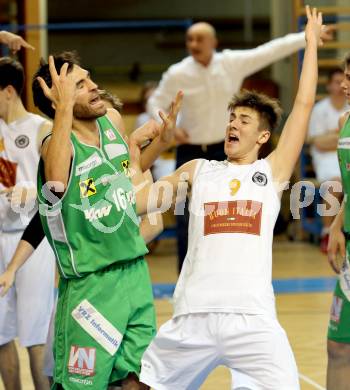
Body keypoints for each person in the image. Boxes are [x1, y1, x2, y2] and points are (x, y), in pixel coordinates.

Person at [129, 6, 322, 389]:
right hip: (193, 317)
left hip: (251, 320)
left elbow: (302, 105)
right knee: (139, 385)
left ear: (262, 137)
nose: (233, 123)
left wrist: (311, 44)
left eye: (244, 121)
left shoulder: (272, 173)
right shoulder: (198, 170)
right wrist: (141, 151)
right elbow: (138, 202)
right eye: (231, 118)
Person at [31, 51, 181, 389]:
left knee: (138, 380)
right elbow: (55, 181)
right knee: (83, 385)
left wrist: (160, 143)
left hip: (135, 273)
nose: (95, 87)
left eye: (90, 78)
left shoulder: (112, 120)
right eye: (81, 85)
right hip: (90, 285)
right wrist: (64, 108)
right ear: (60, 99)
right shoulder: (56, 145)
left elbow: (130, 178)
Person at [147, 18, 334, 272]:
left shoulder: (230, 62)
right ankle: (186, 274)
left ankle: (229, 271)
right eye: (189, 39)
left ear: (214, 42)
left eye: (199, 39)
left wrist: (306, 38)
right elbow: (154, 102)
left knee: (226, 216)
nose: (193, 44)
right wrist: (171, 125)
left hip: (224, 148)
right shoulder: (177, 72)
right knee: (185, 216)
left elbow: (268, 51)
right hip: (190, 152)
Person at [0, 57, 55, 390]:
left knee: (35, 338)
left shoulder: (42, 129)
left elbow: (59, 187)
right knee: (1, 336)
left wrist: (32, 193)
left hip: (33, 240)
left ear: (8, 91)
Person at [326, 52, 350, 390]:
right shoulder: (344, 121)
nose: (344, 84)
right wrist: (336, 223)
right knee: (338, 347)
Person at [308, 68, 348, 253]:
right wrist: (339, 136)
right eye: (336, 81)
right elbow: (318, 143)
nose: (341, 85)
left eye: (344, 80)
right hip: (325, 159)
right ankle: (327, 232)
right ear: (329, 85)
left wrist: (331, 136)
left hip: (345, 155)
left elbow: (327, 141)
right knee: (335, 185)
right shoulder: (320, 109)